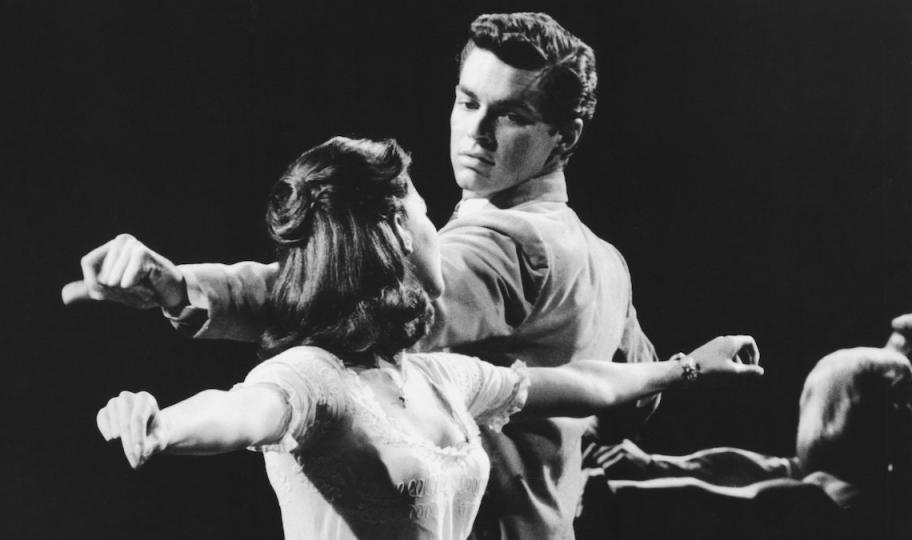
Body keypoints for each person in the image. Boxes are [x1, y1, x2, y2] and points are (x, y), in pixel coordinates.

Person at [62, 12, 723, 539]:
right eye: (468, 102)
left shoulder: (505, 245)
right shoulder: (607, 260)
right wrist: (684, 369)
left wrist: (182, 288)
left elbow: (346, 292)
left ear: (562, 137)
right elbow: (628, 400)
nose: (477, 132)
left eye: (513, 115)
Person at [90, 136, 763, 540]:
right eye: (422, 208)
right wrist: (162, 424)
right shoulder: (312, 378)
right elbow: (238, 411)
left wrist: (687, 369)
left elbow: (581, 383)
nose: (436, 220)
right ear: (390, 233)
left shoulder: (438, 377)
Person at [583, 322, 912, 539]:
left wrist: (604, 494)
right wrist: (648, 468)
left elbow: (739, 499)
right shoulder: (826, 481)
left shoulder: (832, 495)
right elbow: (730, 472)